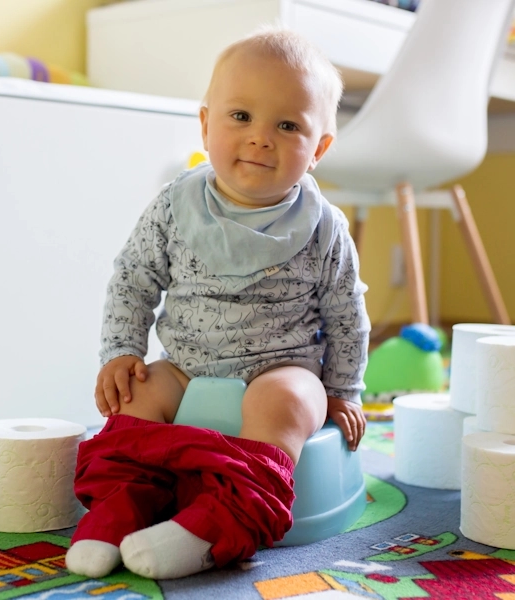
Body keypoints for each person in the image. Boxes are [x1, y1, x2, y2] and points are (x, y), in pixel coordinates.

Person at [65, 26, 370, 581]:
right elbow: (133, 279)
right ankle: (120, 508)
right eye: (240, 117)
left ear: (319, 148)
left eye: (287, 125)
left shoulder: (324, 227)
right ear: (206, 123)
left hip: (283, 366)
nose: (260, 139)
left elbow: (347, 314)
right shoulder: (174, 206)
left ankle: (218, 525)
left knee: (288, 402)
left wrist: (342, 390)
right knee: (138, 392)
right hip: (185, 367)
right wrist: (120, 351)